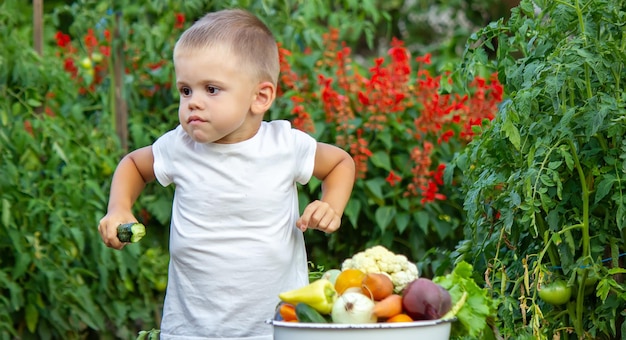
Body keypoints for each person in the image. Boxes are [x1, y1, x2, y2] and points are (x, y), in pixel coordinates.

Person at [97, 8, 356, 340]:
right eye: (186, 90)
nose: (193, 102)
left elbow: (340, 163)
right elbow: (133, 165)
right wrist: (119, 207)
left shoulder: (283, 145)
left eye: (212, 89)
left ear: (259, 97)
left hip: (274, 328)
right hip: (190, 329)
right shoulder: (180, 146)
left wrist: (331, 204)